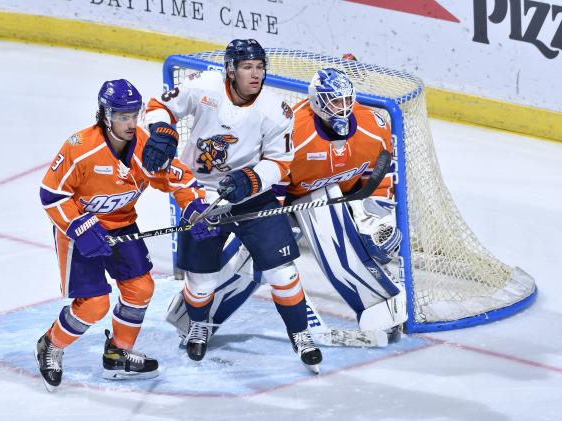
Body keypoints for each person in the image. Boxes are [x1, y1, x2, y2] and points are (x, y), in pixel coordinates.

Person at [166, 67, 405, 346]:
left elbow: (380, 172)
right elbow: (272, 180)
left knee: (335, 233)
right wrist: (273, 229)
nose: (342, 109)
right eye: (334, 101)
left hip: (331, 197)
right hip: (283, 200)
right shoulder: (295, 131)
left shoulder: (373, 125)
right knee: (252, 259)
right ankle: (195, 319)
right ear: (317, 101)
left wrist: (375, 213)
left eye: (345, 101)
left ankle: (381, 306)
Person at [142, 39, 322, 372]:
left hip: (253, 195)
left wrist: (251, 180)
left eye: (259, 67)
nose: (255, 75)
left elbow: (281, 162)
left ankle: (300, 334)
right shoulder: (205, 86)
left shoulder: (275, 109)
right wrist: (164, 130)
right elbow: (158, 105)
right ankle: (199, 325)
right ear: (230, 69)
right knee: (201, 281)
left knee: (282, 273)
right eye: (247, 67)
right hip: (202, 196)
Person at [35, 79, 211, 392]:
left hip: (122, 225)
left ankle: (118, 353)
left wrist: (194, 208)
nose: (131, 123)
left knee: (141, 289)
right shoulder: (80, 148)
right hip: (80, 230)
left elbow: (180, 180)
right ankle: (51, 344)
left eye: (134, 115)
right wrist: (79, 227)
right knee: (93, 306)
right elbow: (52, 195)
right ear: (106, 116)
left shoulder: (147, 148)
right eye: (122, 117)